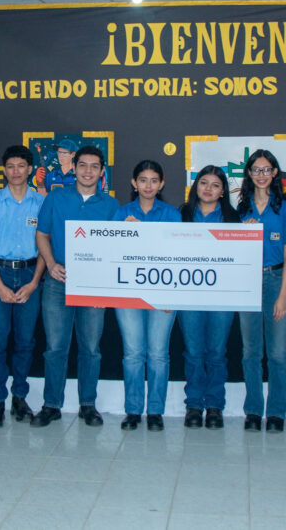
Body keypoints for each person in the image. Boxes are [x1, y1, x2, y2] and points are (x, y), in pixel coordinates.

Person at [33, 145, 119, 428]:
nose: (88, 171)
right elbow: (41, 234)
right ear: (74, 167)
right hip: (58, 281)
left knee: (90, 348)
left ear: (102, 171)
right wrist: (50, 264)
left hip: (93, 285)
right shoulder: (56, 197)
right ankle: (51, 405)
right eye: (83, 165)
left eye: (94, 166)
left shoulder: (111, 206)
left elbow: (117, 247)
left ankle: (88, 405)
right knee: (55, 347)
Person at [0, 145, 46, 428]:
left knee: (25, 341)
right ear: (4, 170)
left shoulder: (41, 203)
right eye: (11, 166)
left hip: (30, 273)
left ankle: (19, 398)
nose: (16, 171)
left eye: (21, 166)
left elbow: (45, 247)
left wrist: (34, 282)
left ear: (30, 170)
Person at [114, 160, 182, 432]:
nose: (148, 186)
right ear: (134, 183)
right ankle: (132, 410)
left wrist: (170, 294)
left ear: (162, 183)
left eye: (154, 180)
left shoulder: (171, 214)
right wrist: (124, 233)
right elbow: (110, 253)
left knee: (158, 354)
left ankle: (155, 411)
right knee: (132, 353)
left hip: (162, 293)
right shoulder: (121, 213)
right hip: (128, 293)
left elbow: (178, 256)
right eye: (143, 180)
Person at [237, 149, 286, 433]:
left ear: (275, 173)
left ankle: (275, 412)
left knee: (277, 353)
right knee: (250, 351)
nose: (261, 175)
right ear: (249, 174)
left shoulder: (285, 208)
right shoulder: (241, 208)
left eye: (266, 170)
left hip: (275, 280)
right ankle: (252, 410)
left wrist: (283, 295)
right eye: (256, 170)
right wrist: (242, 232)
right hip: (247, 282)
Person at [179, 165, 239, 430]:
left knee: (216, 353)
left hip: (221, 297)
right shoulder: (182, 214)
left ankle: (214, 406)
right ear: (196, 186)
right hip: (188, 295)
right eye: (203, 182)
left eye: (215, 185)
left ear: (223, 191)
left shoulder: (232, 218)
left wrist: (249, 232)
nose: (208, 189)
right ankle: (193, 405)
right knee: (193, 352)